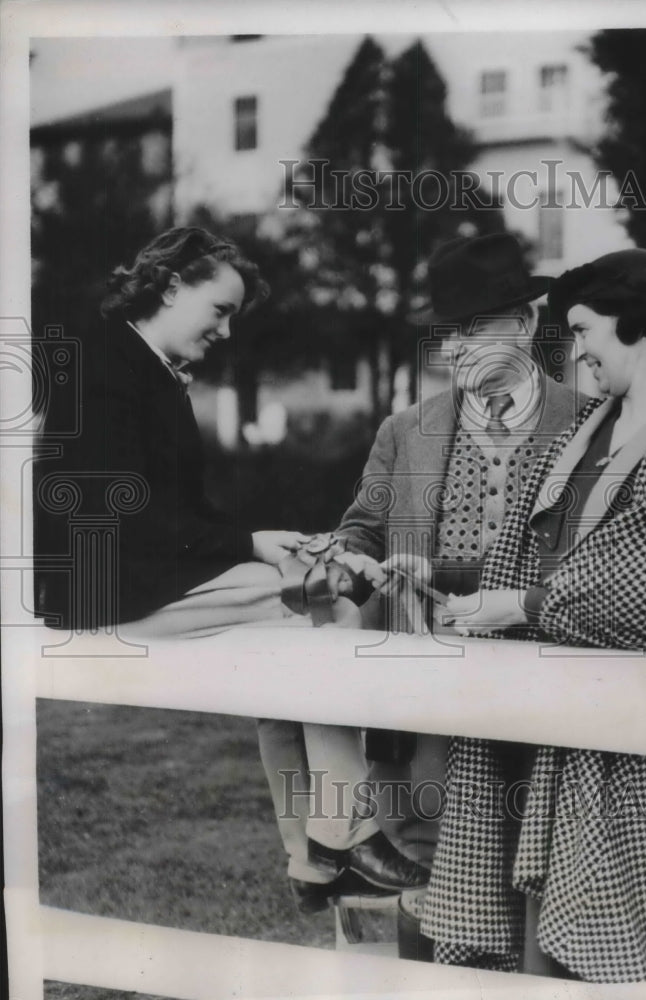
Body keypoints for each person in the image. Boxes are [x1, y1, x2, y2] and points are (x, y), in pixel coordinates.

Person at [33, 225, 427, 912]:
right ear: (171, 285)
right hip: (102, 585)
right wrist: (250, 544)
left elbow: (181, 510)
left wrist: (268, 540)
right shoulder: (104, 369)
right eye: (219, 310)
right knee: (318, 607)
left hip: (136, 575)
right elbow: (115, 512)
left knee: (297, 630)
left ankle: (314, 857)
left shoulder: (143, 367)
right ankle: (341, 834)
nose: (225, 331)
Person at [420, 249, 646, 980]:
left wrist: (519, 604)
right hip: (557, 726)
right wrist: (450, 581)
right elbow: (535, 551)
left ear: (634, 319)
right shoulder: (586, 433)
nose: (574, 351)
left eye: (583, 330)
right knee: (543, 941)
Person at [328, 233, 587, 941]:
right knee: (429, 866)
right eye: (449, 333)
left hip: (550, 684)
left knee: (538, 870)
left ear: (527, 324)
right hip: (430, 685)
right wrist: (350, 563)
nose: (457, 349)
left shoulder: (592, 426)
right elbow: (361, 531)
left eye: (475, 328)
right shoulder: (407, 430)